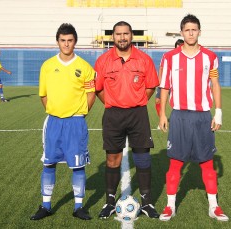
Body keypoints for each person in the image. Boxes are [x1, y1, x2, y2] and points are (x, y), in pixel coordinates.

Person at [158, 14, 229, 222]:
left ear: (199, 31)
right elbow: (165, 86)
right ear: (181, 32)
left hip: (202, 118)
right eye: (187, 30)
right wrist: (162, 113)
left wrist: (219, 112)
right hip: (179, 116)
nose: (190, 33)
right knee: (175, 164)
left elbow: (215, 84)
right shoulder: (170, 58)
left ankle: (214, 207)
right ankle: (170, 206)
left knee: (207, 164)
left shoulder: (210, 57)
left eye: (194, 29)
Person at [30, 23, 96, 221]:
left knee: (78, 165)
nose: (66, 44)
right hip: (54, 122)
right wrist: (55, 111)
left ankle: (78, 207)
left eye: (70, 40)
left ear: (75, 41)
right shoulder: (48, 66)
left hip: (76, 122)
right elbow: (43, 95)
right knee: (49, 163)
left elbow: (90, 93)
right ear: (57, 41)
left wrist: (81, 113)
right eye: (63, 40)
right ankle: (46, 205)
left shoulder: (84, 66)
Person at [95, 21, 160, 219]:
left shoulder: (144, 60)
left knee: (142, 157)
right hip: (113, 114)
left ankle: (147, 203)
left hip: (137, 114)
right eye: (118, 34)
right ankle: (109, 203)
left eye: (126, 34)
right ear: (112, 37)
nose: (122, 37)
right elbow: (98, 88)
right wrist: (114, 103)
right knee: (112, 158)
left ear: (131, 36)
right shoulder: (103, 60)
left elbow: (150, 87)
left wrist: (137, 101)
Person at [155, 39, 184, 128]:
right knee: (158, 100)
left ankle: (178, 121)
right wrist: (159, 81)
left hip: (177, 84)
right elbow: (161, 67)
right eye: (177, 48)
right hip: (165, 82)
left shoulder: (185, 57)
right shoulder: (167, 55)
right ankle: (162, 120)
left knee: (177, 102)